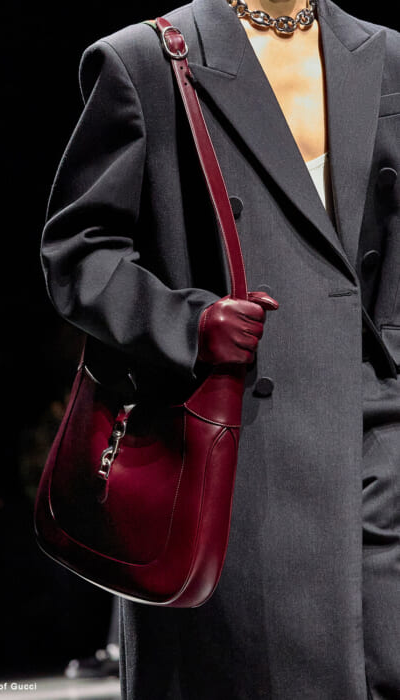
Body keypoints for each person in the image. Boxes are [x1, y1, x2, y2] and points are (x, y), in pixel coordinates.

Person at [39, 0, 400, 697]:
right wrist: (187, 324)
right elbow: (77, 253)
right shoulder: (145, 61)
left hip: (378, 455)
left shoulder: (386, 58)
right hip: (232, 466)